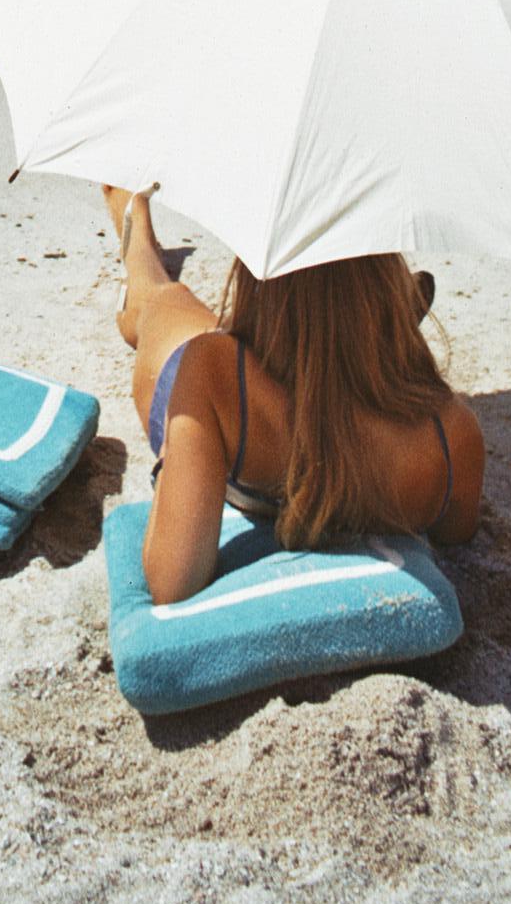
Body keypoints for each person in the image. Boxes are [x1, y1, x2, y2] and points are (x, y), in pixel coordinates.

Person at [105, 187, 483, 608]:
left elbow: (172, 583)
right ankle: (365, 333)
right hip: (296, 378)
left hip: (229, 400)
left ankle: (135, 223)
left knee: (157, 296)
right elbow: (457, 532)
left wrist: (179, 456)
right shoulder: (455, 433)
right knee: (319, 348)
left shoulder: (211, 368)